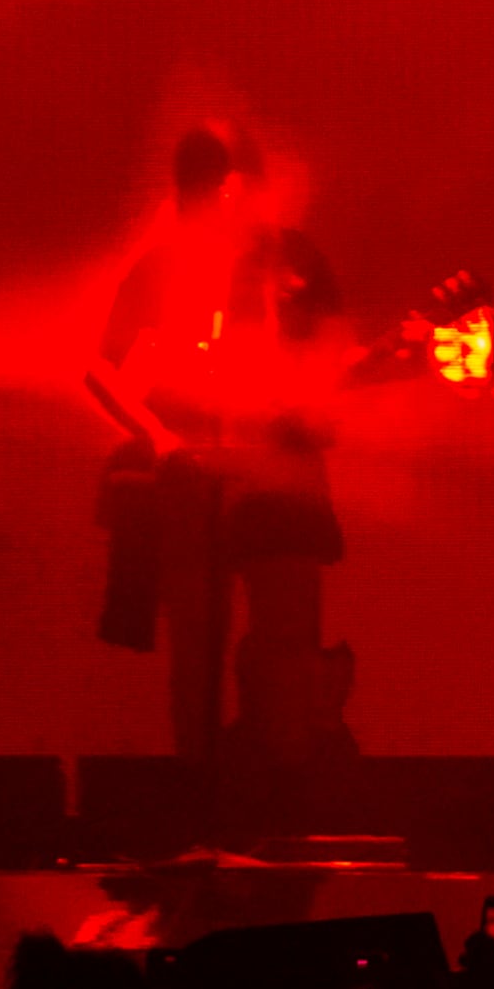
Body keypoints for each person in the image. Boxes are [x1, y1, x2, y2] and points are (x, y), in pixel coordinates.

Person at [94, 124, 359, 765]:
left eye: (221, 185)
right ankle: (202, 792)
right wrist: (158, 438)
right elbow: (101, 370)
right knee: (198, 652)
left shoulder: (294, 260)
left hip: (280, 474)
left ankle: (281, 780)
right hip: (195, 479)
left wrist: (321, 407)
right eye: (203, 189)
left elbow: (339, 360)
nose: (216, 202)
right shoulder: (167, 265)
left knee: (285, 643)